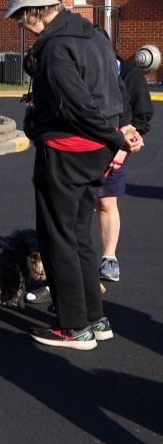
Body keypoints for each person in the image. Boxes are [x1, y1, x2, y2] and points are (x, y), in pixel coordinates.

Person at [11, 0, 142, 350]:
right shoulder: (92, 34)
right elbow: (116, 93)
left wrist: (116, 137)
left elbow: (76, 106)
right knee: (79, 233)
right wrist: (118, 134)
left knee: (58, 237)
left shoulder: (54, 48)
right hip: (95, 152)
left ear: (33, 12)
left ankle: (73, 327)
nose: (21, 28)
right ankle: (95, 318)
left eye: (20, 20)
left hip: (67, 152)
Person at [97, 51, 153, 283]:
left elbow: (142, 118)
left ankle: (109, 258)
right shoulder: (88, 72)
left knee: (106, 201)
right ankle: (71, 259)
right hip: (83, 148)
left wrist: (123, 148)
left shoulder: (131, 76)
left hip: (116, 147)